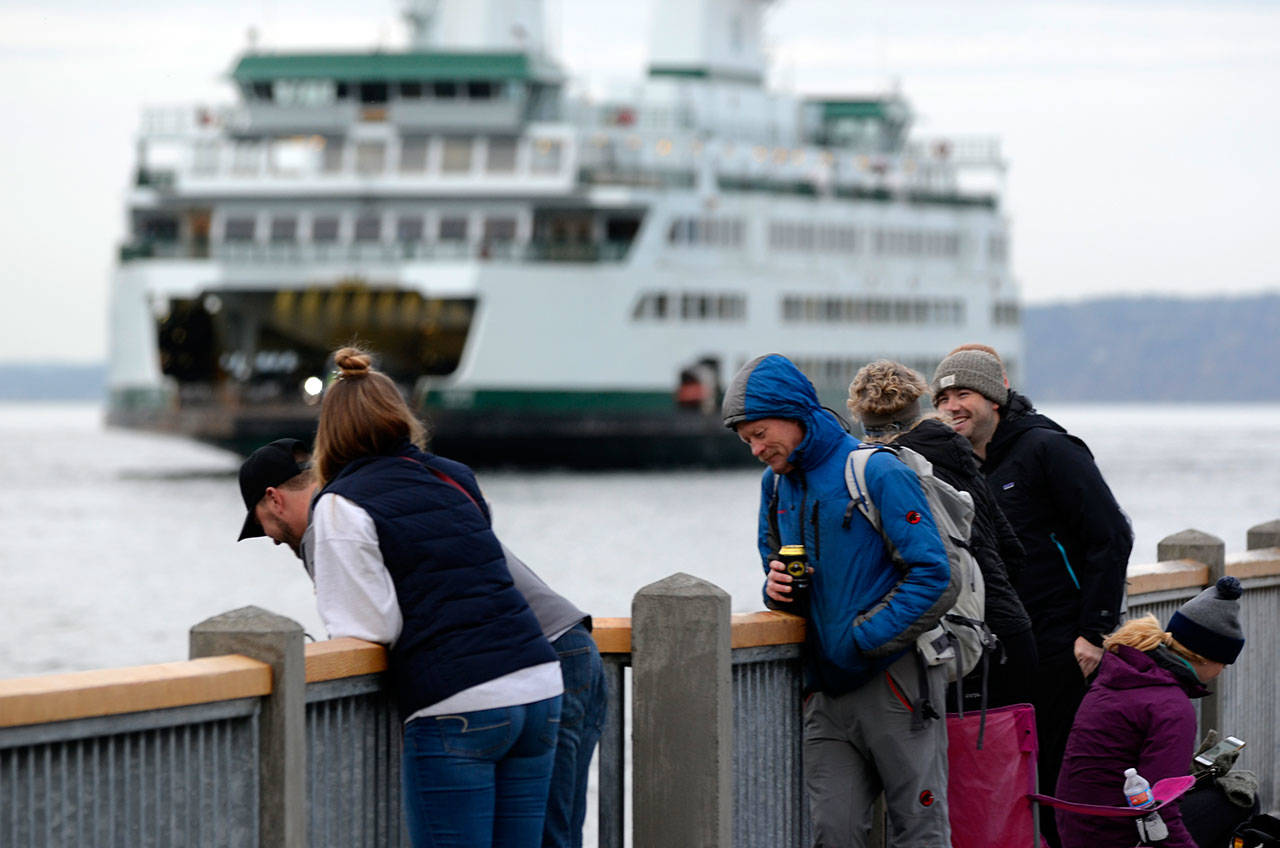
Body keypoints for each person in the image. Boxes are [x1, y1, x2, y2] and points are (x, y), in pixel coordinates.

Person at [244, 348, 565, 848]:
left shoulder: (340, 503)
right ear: (399, 414)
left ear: (329, 433)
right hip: (538, 685)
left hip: (460, 701)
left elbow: (370, 627)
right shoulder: (453, 475)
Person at [723, 353, 955, 848]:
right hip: (824, 691)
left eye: (762, 434)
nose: (757, 450)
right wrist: (774, 591)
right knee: (834, 833)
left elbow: (936, 574)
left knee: (919, 831)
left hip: (896, 680)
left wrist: (863, 638)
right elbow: (774, 571)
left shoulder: (874, 471)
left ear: (796, 413)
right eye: (748, 442)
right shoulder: (775, 487)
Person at [931, 346, 1133, 846]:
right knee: (1011, 781)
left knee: (1064, 777)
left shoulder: (1048, 448)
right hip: (1001, 650)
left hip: (1065, 645)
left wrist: (1094, 632)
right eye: (943, 397)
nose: (953, 406)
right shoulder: (962, 467)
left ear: (995, 400)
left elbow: (1111, 536)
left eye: (965, 394)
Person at [847, 359, 1037, 710]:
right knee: (1013, 760)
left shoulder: (889, 471)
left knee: (956, 763)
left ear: (862, 418)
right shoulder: (958, 453)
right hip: (1010, 632)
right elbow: (1012, 551)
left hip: (958, 646)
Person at [1054, 577, 1247, 848]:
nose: (1220, 673)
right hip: (1118, 835)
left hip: (1077, 828)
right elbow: (1159, 810)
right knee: (1239, 797)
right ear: (1206, 658)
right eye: (1224, 665)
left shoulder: (1117, 677)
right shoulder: (1172, 707)